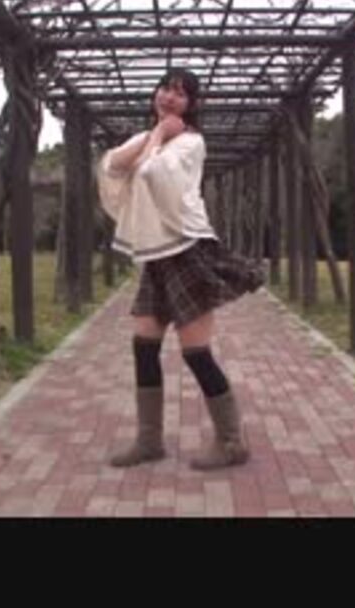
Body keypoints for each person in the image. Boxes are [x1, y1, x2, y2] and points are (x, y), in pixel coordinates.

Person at [96, 67, 265, 471]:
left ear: (191, 105)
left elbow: (153, 172)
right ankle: (149, 441)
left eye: (180, 93)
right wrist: (153, 136)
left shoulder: (191, 142)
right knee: (143, 347)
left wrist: (157, 137)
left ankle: (231, 442)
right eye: (165, 89)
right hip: (156, 256)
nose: (169, 97)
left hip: (187, 250)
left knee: (196, 354)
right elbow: (111, 166)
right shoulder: (149, 137)